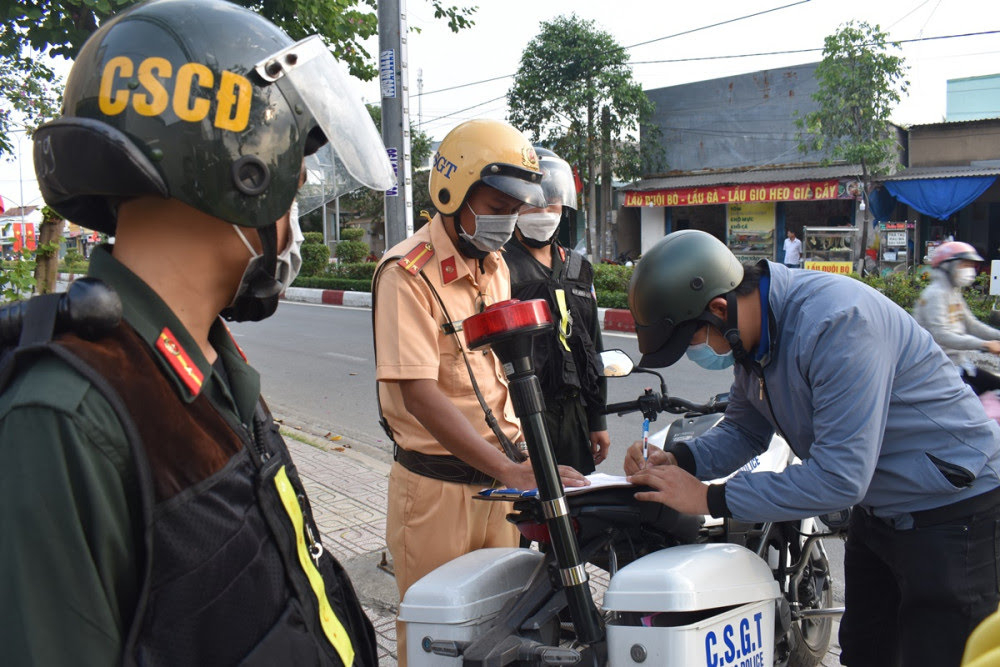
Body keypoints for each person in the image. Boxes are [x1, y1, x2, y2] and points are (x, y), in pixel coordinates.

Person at [0, 1, 395, 664]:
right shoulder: (65, 420)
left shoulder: (211, 365)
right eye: (295, 180)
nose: (294, 212)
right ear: (246, 171)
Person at [623, 229, 1000, 667]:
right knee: (865, 652)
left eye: (693, 340)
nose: (697, 352)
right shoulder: (752, 345)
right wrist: (680, 460)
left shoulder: (838, 324)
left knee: (940, 655)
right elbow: (745, 431)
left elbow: (839, 478)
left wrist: (710, 498)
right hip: (880, 512)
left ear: (719, 308)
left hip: (953, 510)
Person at [372, 119, 588, 663]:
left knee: (501, 632)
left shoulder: (494, 265)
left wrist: (526, 463)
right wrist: (512, 470)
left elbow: (503, 372)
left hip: (500, 486)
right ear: (454, 192)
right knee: (435, 642)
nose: (508, 220)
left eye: (516, 208)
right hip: (438, 493)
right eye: (497, 204)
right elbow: (419, 393)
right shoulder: (408, 274)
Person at [503, 148, 609, 474]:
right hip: (525, 412)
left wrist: (597, 418)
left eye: (551, 202)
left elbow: (593, 348)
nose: (543, 211)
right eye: (532, 203)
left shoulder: (579, 268)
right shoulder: (498, 267)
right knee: (531, 511)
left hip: (574, 413)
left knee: (581, 507)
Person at [912, 241, 1000, 394]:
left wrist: (997, 337)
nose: (970, 270)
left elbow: (971, 324)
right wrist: (985, 345)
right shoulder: (935, 294)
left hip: (957, 363)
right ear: (948, 266)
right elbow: (941, 335)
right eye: (964, 265)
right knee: (973, 403)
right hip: (936, 369)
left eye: (970, 265)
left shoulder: (953, 292)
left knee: (994, 385)